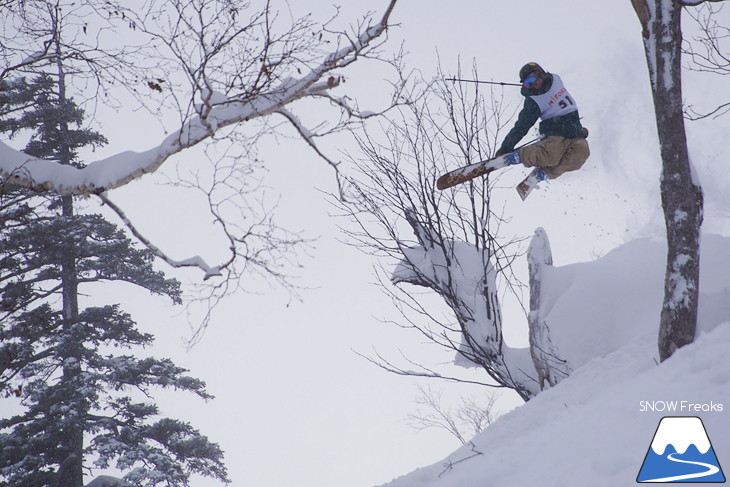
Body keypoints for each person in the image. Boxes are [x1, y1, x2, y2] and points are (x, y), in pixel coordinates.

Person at [495, 62, 590, 182]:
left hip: (573, 130)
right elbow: (521, 127)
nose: (532, 84)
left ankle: (546, 172)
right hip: (555, 131)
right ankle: (522, 155)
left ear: (540, 73)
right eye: (527, 83)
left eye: (532, 78)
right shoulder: (534, 102)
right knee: (551, 156)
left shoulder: (555, 79)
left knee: (581, 152)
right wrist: (506, 148)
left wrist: (579, 130)